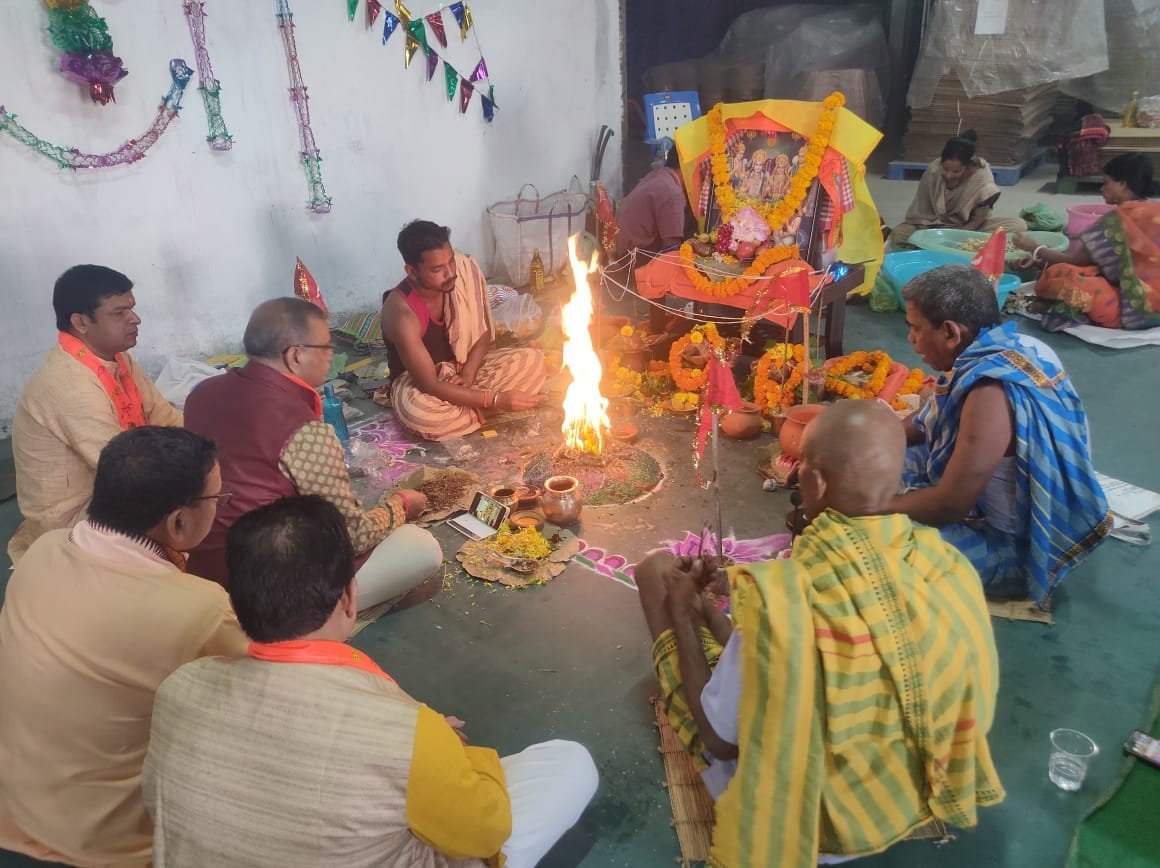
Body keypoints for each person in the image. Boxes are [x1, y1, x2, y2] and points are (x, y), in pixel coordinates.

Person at [635, 400, 1003, 867]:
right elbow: (790, 664)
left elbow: (720, 740)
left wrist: (687, 615)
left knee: (653, 571)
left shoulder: (787, 599)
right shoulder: (948, 566)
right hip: (900, 795)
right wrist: (708, 607)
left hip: (815, 823)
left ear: (817, 482)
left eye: (802, 465)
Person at [143, 495, 599, 868]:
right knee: (569, 763)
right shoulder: (405, 731)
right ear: (348, 596)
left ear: (237, 603)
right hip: (420, 763)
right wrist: (445, 747)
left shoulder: (179, 687)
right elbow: (487, 831)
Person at [0, 427, 247, 867]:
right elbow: (270, 678)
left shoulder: (44, 549)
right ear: (177, 521)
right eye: (217, 501)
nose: (221, 509)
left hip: (14, 814)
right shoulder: (198, 608)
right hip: (110, 848)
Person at [184, 297, 441, 610]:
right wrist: (400, 505)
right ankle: (312, 625)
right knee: (421, 547)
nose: (332, 356)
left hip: (205, 573)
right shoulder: (303, 430)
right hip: (269, 591)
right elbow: (354, 536)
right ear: (295, 356)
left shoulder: (201, 394)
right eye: (326, 347)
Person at [893, 264, 1111, 605]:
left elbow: (947, 506)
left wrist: (867, 505)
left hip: (1008, 553)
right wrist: (859, 445)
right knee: (880, 459)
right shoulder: (1018, 346)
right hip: (981, 501)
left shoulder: (988, 393)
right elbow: (922, 423)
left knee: (875, 539)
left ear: (950, 332)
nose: (911, 339)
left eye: (915, 329)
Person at [9, 264, 183, 563]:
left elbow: (165, 418)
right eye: (119, 313)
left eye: (132, 308)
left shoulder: (118, 358)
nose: (135, 319)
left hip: (118, 484)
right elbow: (125, 471)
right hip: (73, 526)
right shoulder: (68, 385)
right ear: (80, 322)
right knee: (203, 510)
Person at [382, 220, 547, 441]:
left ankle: (469, 406)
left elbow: (483, 333)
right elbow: (429, 384)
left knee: (532, 360)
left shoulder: (464, 271)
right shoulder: (402, 313)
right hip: (420, 383)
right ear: (412, 272)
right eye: (437, 269)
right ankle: (484, 407)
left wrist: (468, 374)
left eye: (451, 262)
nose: (450, 273)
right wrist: (496, 400)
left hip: (463, 369)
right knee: (423, 414)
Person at [1013, 153, 1160, 330]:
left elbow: (1077, 263)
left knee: (1061, 274)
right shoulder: (1155, 212)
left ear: (1122, 184)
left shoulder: (1116, 220)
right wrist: (1040, 262)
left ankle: (1060, 309)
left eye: (1106, 182)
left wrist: (1035, 248)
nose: (1102, 189)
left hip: (1137, 307)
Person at [891, 131, 1027, 248]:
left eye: (956, 171)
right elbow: (922, 213)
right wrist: (934, 234)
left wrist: (955, 236)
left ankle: (934, 246)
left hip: (967, 228)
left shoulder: (981, 177)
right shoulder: (933, 171)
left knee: (1018, 225)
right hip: (931, 227)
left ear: (969, 167)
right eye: (945, 169)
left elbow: (978, 219)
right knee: (898, 233)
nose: (949, 175)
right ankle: (937, 244)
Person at [614, 147, 695, 258]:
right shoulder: (671, 191)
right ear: (687, 167)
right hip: (635, 260)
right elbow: (671, 250)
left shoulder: (659, 176)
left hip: (624, 252)